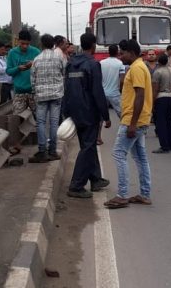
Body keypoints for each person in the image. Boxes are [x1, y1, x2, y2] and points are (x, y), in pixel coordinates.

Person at [104, 39, 153, 209]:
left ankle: (122, 195)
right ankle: (145, 194)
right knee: (140, 157)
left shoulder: (138, 68)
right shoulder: (138, 67)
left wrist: (132, 124)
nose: (120, 55)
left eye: (122, 52)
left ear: (131, 53)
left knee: (118, 154)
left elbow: (139, 96)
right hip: (139, 119)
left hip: (134, 120)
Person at [63, 33, 111, 198]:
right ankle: (76, 186)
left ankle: (96, 179)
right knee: (88, 147)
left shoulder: (71, 64)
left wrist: (66, 112)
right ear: (93, 46)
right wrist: (106, 115)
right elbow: (97, 92)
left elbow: (67, 89)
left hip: (74, 111)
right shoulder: (92, 64)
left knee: (87, 146)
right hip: (89, 112)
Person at [29, 34, 66, 163]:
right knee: (54, 122)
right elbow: (64, 74)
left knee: (41, 122)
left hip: (41, 95)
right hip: (56, 94)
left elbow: (32, 79)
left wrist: (35, 92)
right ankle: (52, 151)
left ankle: (41, 151)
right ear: (53, 44)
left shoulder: (37, 59)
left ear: (42, 44)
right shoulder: (59, 57)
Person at [6, 30, 41, 154]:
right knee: (16, 118)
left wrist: (34, 65)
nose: (25, 46)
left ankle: (42, 144)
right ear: (18, 41)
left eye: (27, 44)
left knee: (40, 118)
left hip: (34, 91)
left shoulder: (36, 52)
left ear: (30, 42)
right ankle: (16, 143)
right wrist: (18, 68)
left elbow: (42, 69)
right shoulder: (12, 53)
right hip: (19, 91)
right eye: (22, 44)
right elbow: (8, 71)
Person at [152, 54, 171, 153]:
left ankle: (164, 146)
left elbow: (155, 89)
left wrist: (152, 103)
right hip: (169, 97)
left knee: (161, 123)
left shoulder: (157, 72)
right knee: (169, 122)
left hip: (161, 98)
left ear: (158, 61)